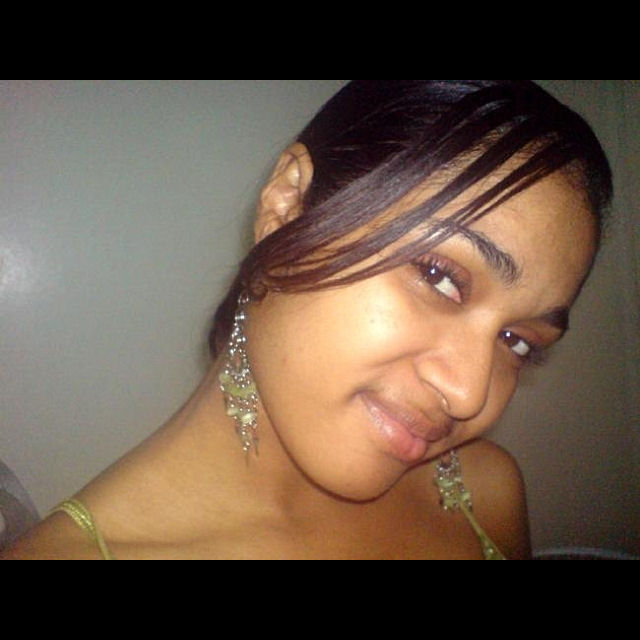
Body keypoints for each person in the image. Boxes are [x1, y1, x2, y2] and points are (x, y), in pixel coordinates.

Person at [1, 80, 612, 560]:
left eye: (517, 341)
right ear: (287, 204)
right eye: (440, 276)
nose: (469, 393)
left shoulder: (487, 492)